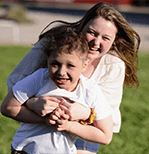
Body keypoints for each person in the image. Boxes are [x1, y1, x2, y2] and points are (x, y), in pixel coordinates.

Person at [6, 2, 140, 154]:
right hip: (40, 124)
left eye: (105, 38)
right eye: (92, 33)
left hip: (85, 129)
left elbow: (108, 118)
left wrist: (86, 114)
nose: (96, 42)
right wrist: (32, 103)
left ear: (114, 40)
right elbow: (15, 85)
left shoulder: (113, 65)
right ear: (82, 27)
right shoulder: (51, 45)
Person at [1, 26, 113, 154]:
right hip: (25, 150)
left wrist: (70, 126)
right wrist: (43, 119)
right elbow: (7, 107)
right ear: (47, 60)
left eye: (70, 65)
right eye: (55, 64)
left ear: (84, 65)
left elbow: (105, 136)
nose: (61, 72)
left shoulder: (91, 91)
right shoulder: (40, 78)